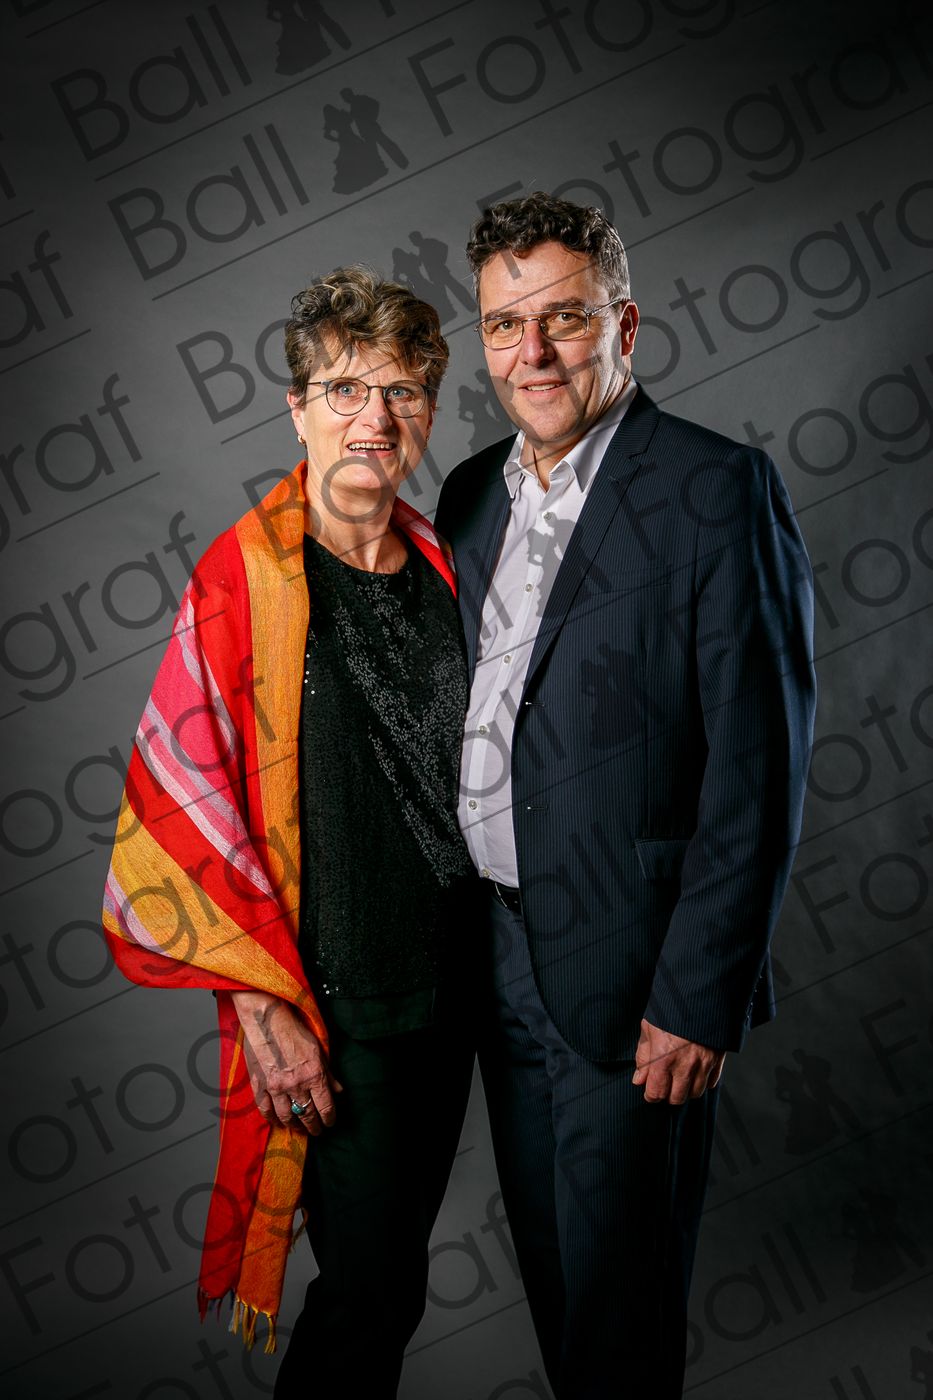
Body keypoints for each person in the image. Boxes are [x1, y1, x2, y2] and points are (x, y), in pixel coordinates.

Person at [434, 192, 817, 1398]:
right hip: (497, 960)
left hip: (637, 973)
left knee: (620, 1314)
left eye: (563, 318)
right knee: (559, 1290)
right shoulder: (469, 494)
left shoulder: (717, 489)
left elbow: (760, 763)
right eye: (505, 325)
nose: (533, 353)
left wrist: (699, 997)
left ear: (625, 325)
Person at [102, 266, 479, 1397]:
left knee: (393, 1285)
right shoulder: (244, 577)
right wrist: (264, 1009)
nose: (376, 418)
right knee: (368, 1292)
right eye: (346, 390)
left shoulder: (450, 565)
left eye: (403, 391)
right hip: (337, 1007)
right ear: (297, 408)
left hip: (459, 990)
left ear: (429, 408)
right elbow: (181, 813)